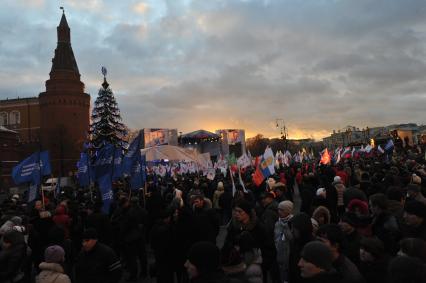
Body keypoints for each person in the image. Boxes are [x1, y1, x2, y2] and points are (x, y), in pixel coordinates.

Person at [274, 200, 294, 282]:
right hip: (279, 253)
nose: (279, 212)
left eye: (282, 210)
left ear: (288, 211)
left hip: (290, 255)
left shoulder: (293, 222)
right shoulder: (277, 223)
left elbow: (292, 239)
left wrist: (286, 229)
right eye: (278, 209)